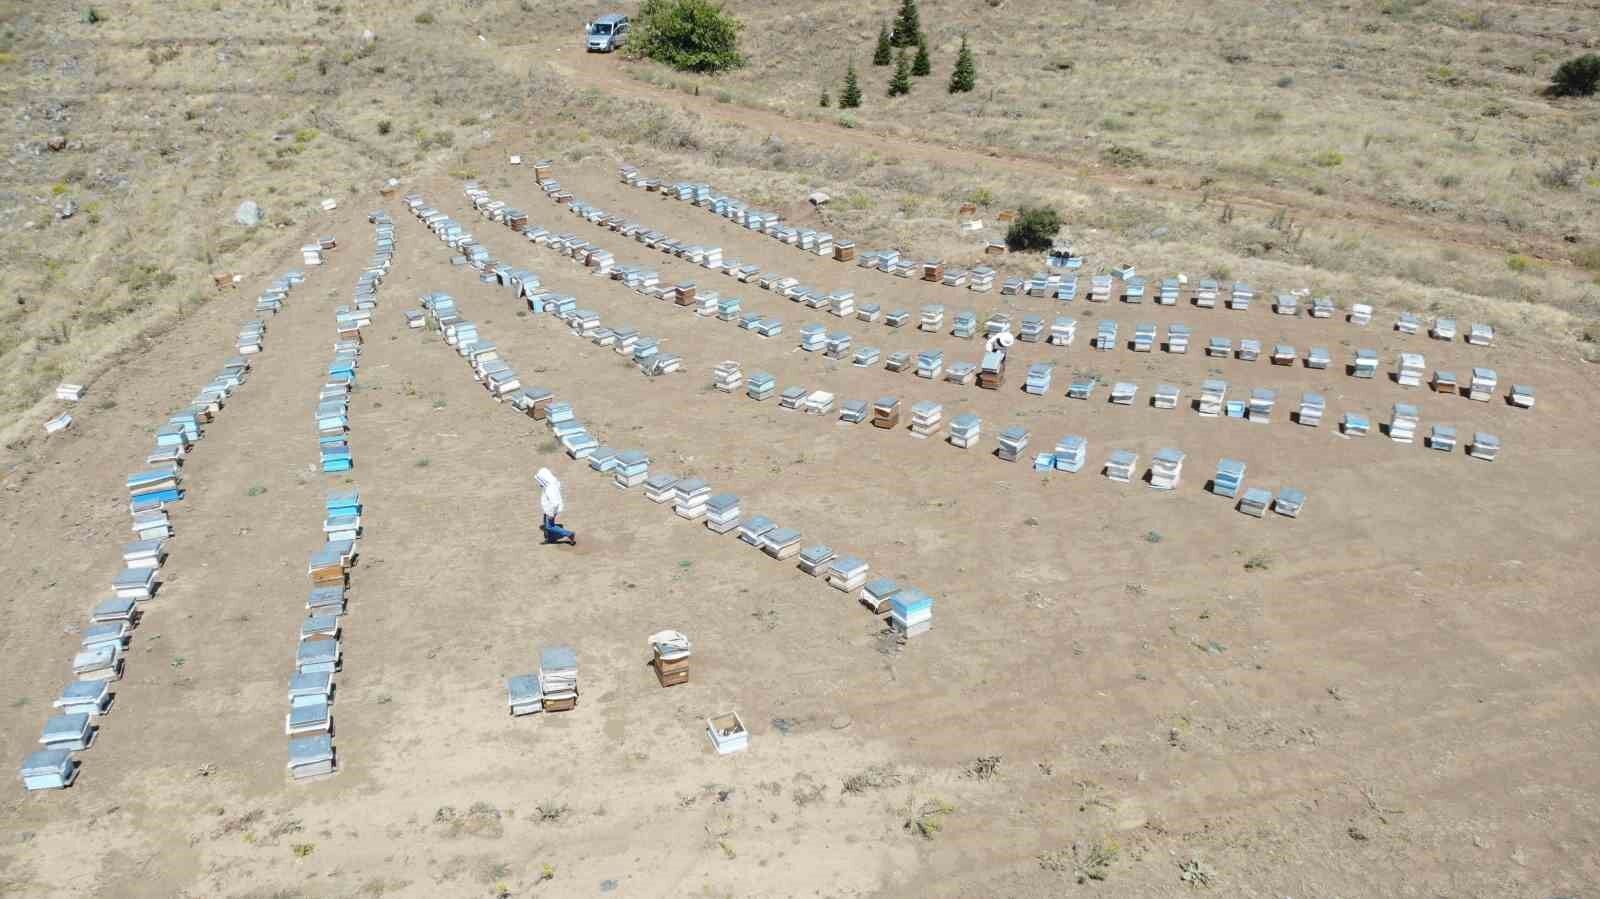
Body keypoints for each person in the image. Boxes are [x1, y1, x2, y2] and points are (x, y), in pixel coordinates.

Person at [536, 467, 576, 545]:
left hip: (551, 510)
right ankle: (550, 538)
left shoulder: (550, 489)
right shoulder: (553, 482)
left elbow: (555, 503)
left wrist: (551, 514)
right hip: (548, 509)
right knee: (546, 524)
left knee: (549, 526)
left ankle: (569, 534)